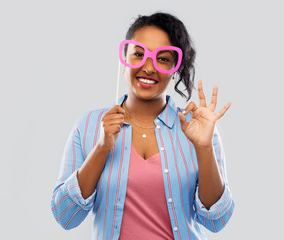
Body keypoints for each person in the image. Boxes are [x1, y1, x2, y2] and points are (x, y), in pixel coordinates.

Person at [51, 12, 234, 240]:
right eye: (139, 54)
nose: (148, 67)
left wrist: (204, 147)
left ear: (175, 68)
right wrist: (101, 147)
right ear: (124, 58)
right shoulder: (87, 126)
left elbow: (215, 221)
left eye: (163, 59)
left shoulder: (197, 130)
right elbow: (65, 216)